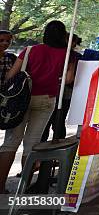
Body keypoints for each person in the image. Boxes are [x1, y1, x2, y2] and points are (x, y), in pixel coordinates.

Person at [0, 21, 76, 193]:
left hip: (19, 100)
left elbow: (11, 75)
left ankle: (0, 187)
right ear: (63, 35)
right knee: (32, 144)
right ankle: (24, 188)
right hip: (46, 100)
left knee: (10, 143)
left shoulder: (30, 50)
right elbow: (69, 80)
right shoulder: (68, 55)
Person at [41, 34, 82, 142]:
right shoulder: (65, 54)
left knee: (56, 121)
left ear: (74, 43)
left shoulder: (75, 57)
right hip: (54, 91)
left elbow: (69, 79)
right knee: (53, 122)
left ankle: (54, 146)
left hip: (64, 92)